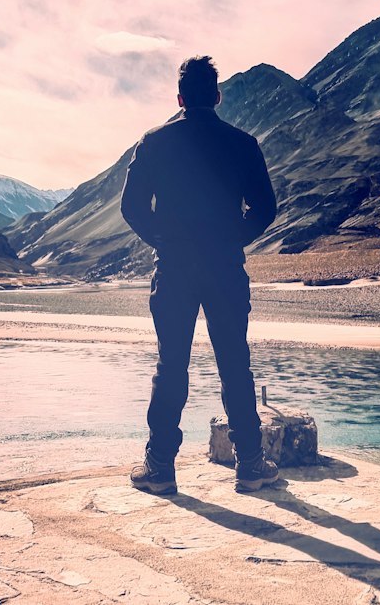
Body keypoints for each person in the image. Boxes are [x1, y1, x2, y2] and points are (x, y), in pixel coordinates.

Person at [120, 54, 279, 496]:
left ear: (179, 98)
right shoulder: (243, 143)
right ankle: (249, 464)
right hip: (225, 268)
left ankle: (160, 468)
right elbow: (265, 208)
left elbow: (132, 208)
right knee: (235, 365)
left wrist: (163, 241)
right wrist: (233, 239)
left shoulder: (154, 142)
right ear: (217, 96)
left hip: (173, 269)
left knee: (171, 366)